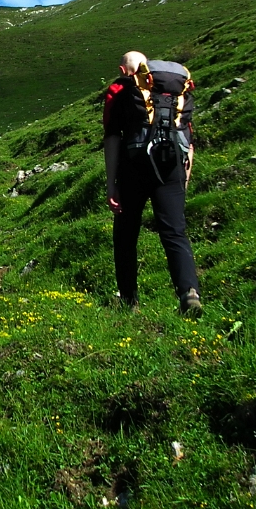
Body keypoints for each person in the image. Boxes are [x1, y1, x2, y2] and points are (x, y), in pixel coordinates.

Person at [102, 50, 201, 317]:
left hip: (133, 167)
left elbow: (112, 137)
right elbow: (188, 136)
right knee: (175, 232)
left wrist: (112, 184)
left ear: (124, 71)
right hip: (173, 166)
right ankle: (189, 291)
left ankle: (129, 300)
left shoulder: (119, 90)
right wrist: (184, 179)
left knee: (125, 235)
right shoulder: (177, 92)